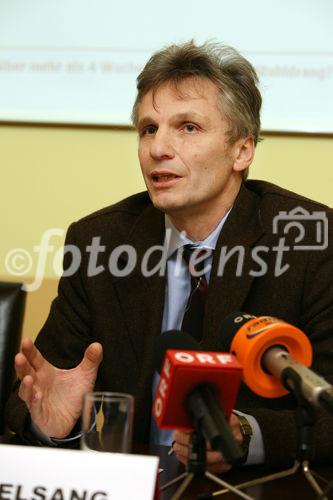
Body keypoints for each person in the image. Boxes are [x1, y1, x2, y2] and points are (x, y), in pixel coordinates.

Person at [6, 40, 333, 471]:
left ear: (242, 150)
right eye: (148, 129)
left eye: (188, 128)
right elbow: (38, 394)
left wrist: (248, 435)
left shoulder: (311, 243)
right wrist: (56, 426)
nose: (158, 148)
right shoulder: (98, 242)